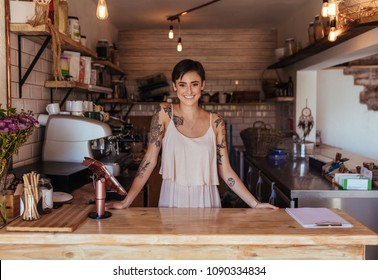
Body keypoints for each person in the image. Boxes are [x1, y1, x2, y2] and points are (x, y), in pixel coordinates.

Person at [106, 59, 278, 209]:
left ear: (202, 84)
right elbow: (149, 160)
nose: (188, 91)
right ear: (174, 86)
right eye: (182, 84)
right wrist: (126, 201)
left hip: (207, 200)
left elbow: (225, 170)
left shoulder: (216, 122)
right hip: (172, 199)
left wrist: (254, 203)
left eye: (194, 84)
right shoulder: (164, 114)